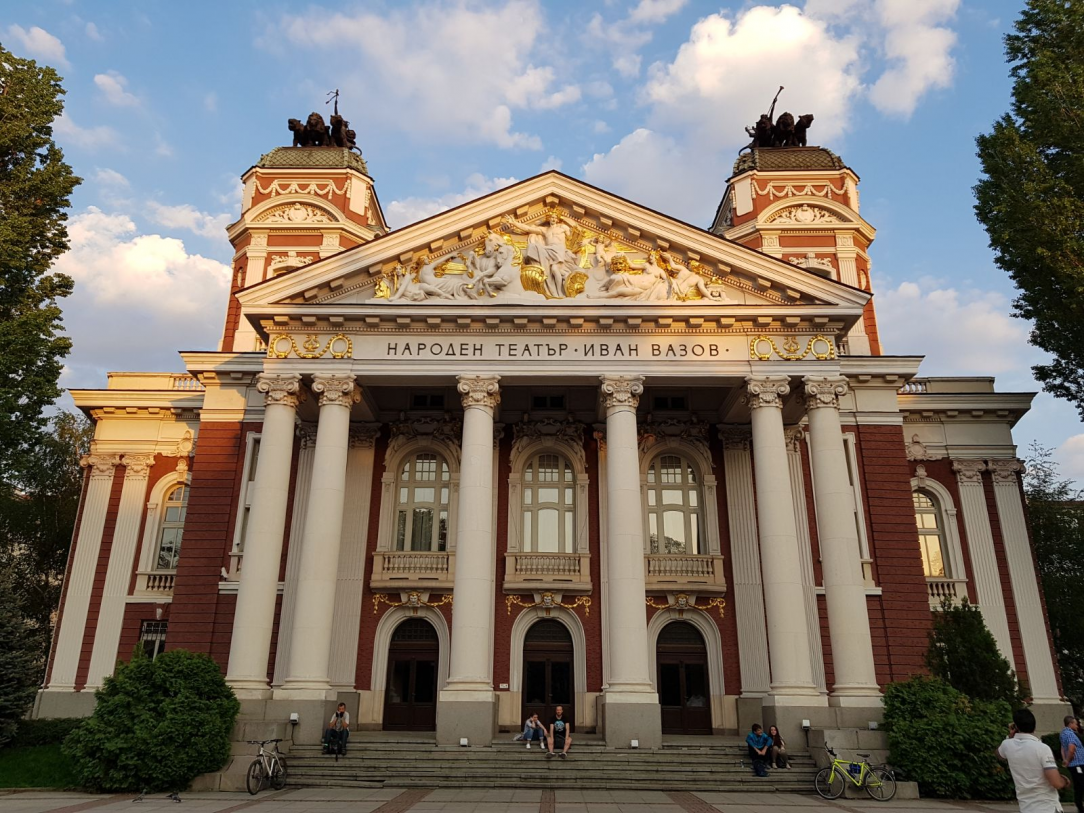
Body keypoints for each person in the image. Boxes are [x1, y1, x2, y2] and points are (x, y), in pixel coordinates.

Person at [998, 708, 1069, 812]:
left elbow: (999, 754)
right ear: (1034, 726)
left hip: (1026, 807)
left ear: (1016, 727)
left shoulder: (1007, 745)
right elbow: (1056, 783)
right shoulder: (1042, 748)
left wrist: (1010, 736)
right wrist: (1065, 781)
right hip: (1047, 807)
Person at [1061, 715, 1084, 812]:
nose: (1077, 726)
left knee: (1078, 786)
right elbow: (1071, 749)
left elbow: (1063, 748)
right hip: (1077, 764)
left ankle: (1080, 807)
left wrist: (1065, 760)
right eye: (1075, 724)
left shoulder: (1063, 734)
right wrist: (1068, 760)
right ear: (1070, 724)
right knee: (1082, 784)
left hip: (1074, 764)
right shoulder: (1070, 734)